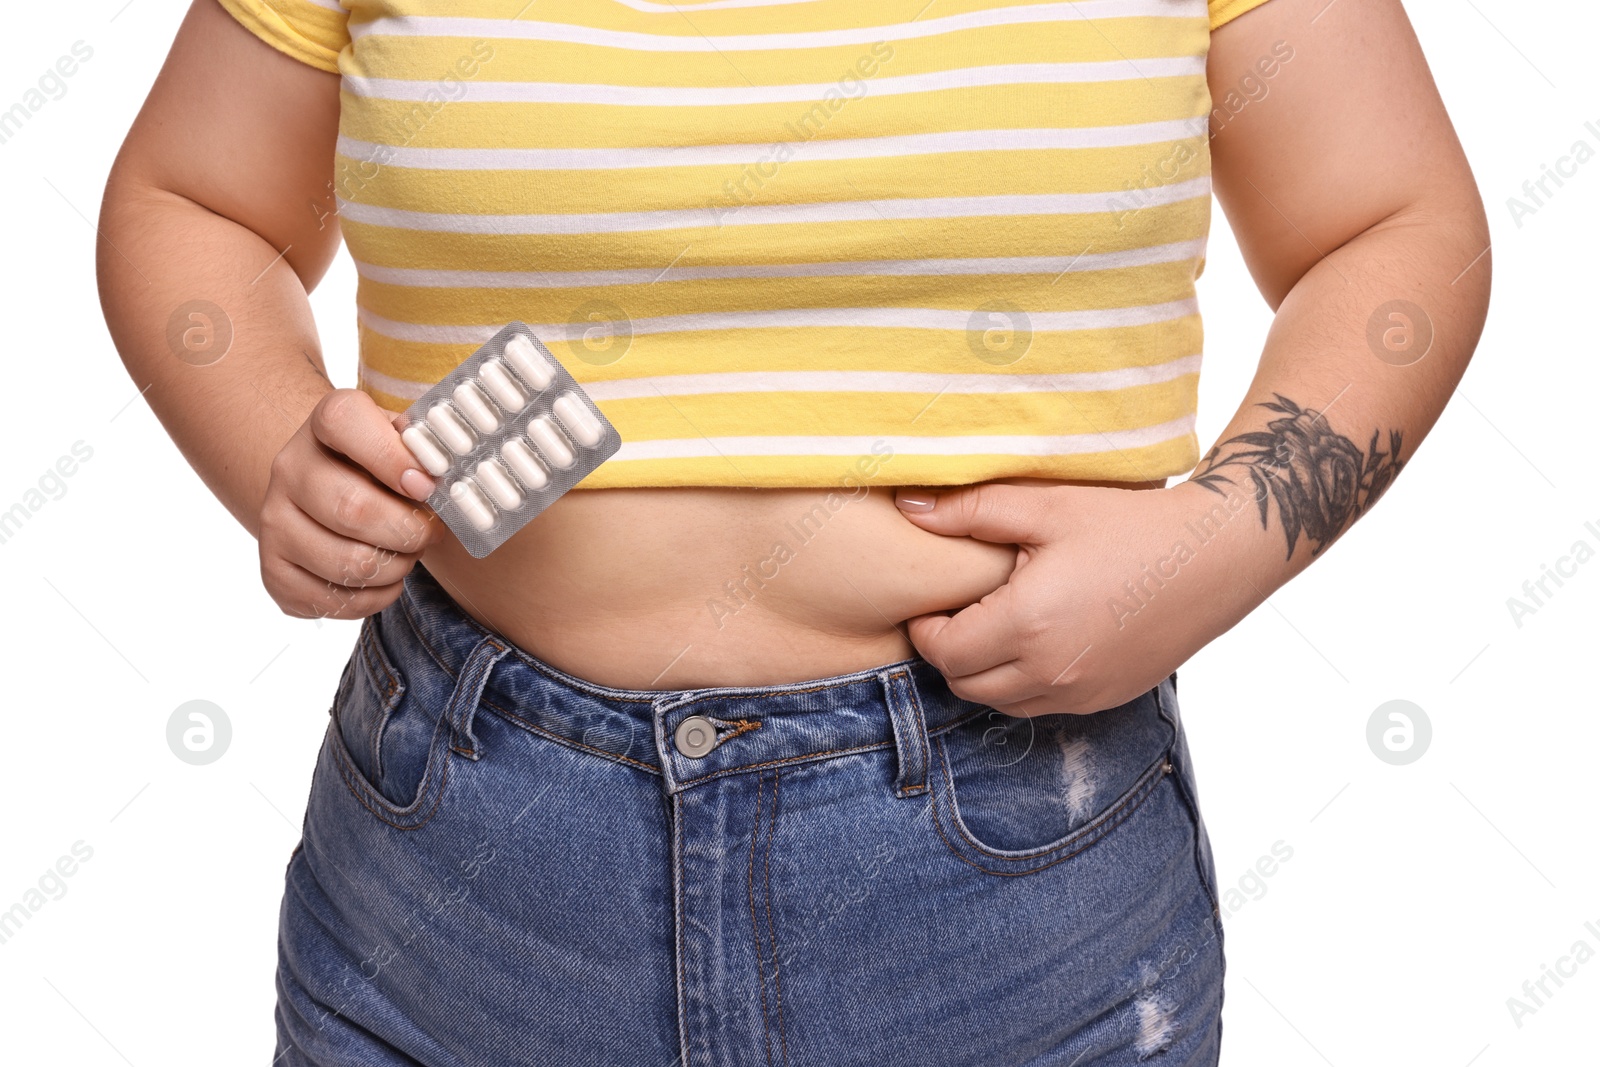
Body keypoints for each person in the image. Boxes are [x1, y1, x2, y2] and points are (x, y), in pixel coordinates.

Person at [98, 0, 1489, 1062]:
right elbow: (196, 201)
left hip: (1007, 865)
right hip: (462, 862)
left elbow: (1392, 227)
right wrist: (278, 447)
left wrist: (1223, 541)